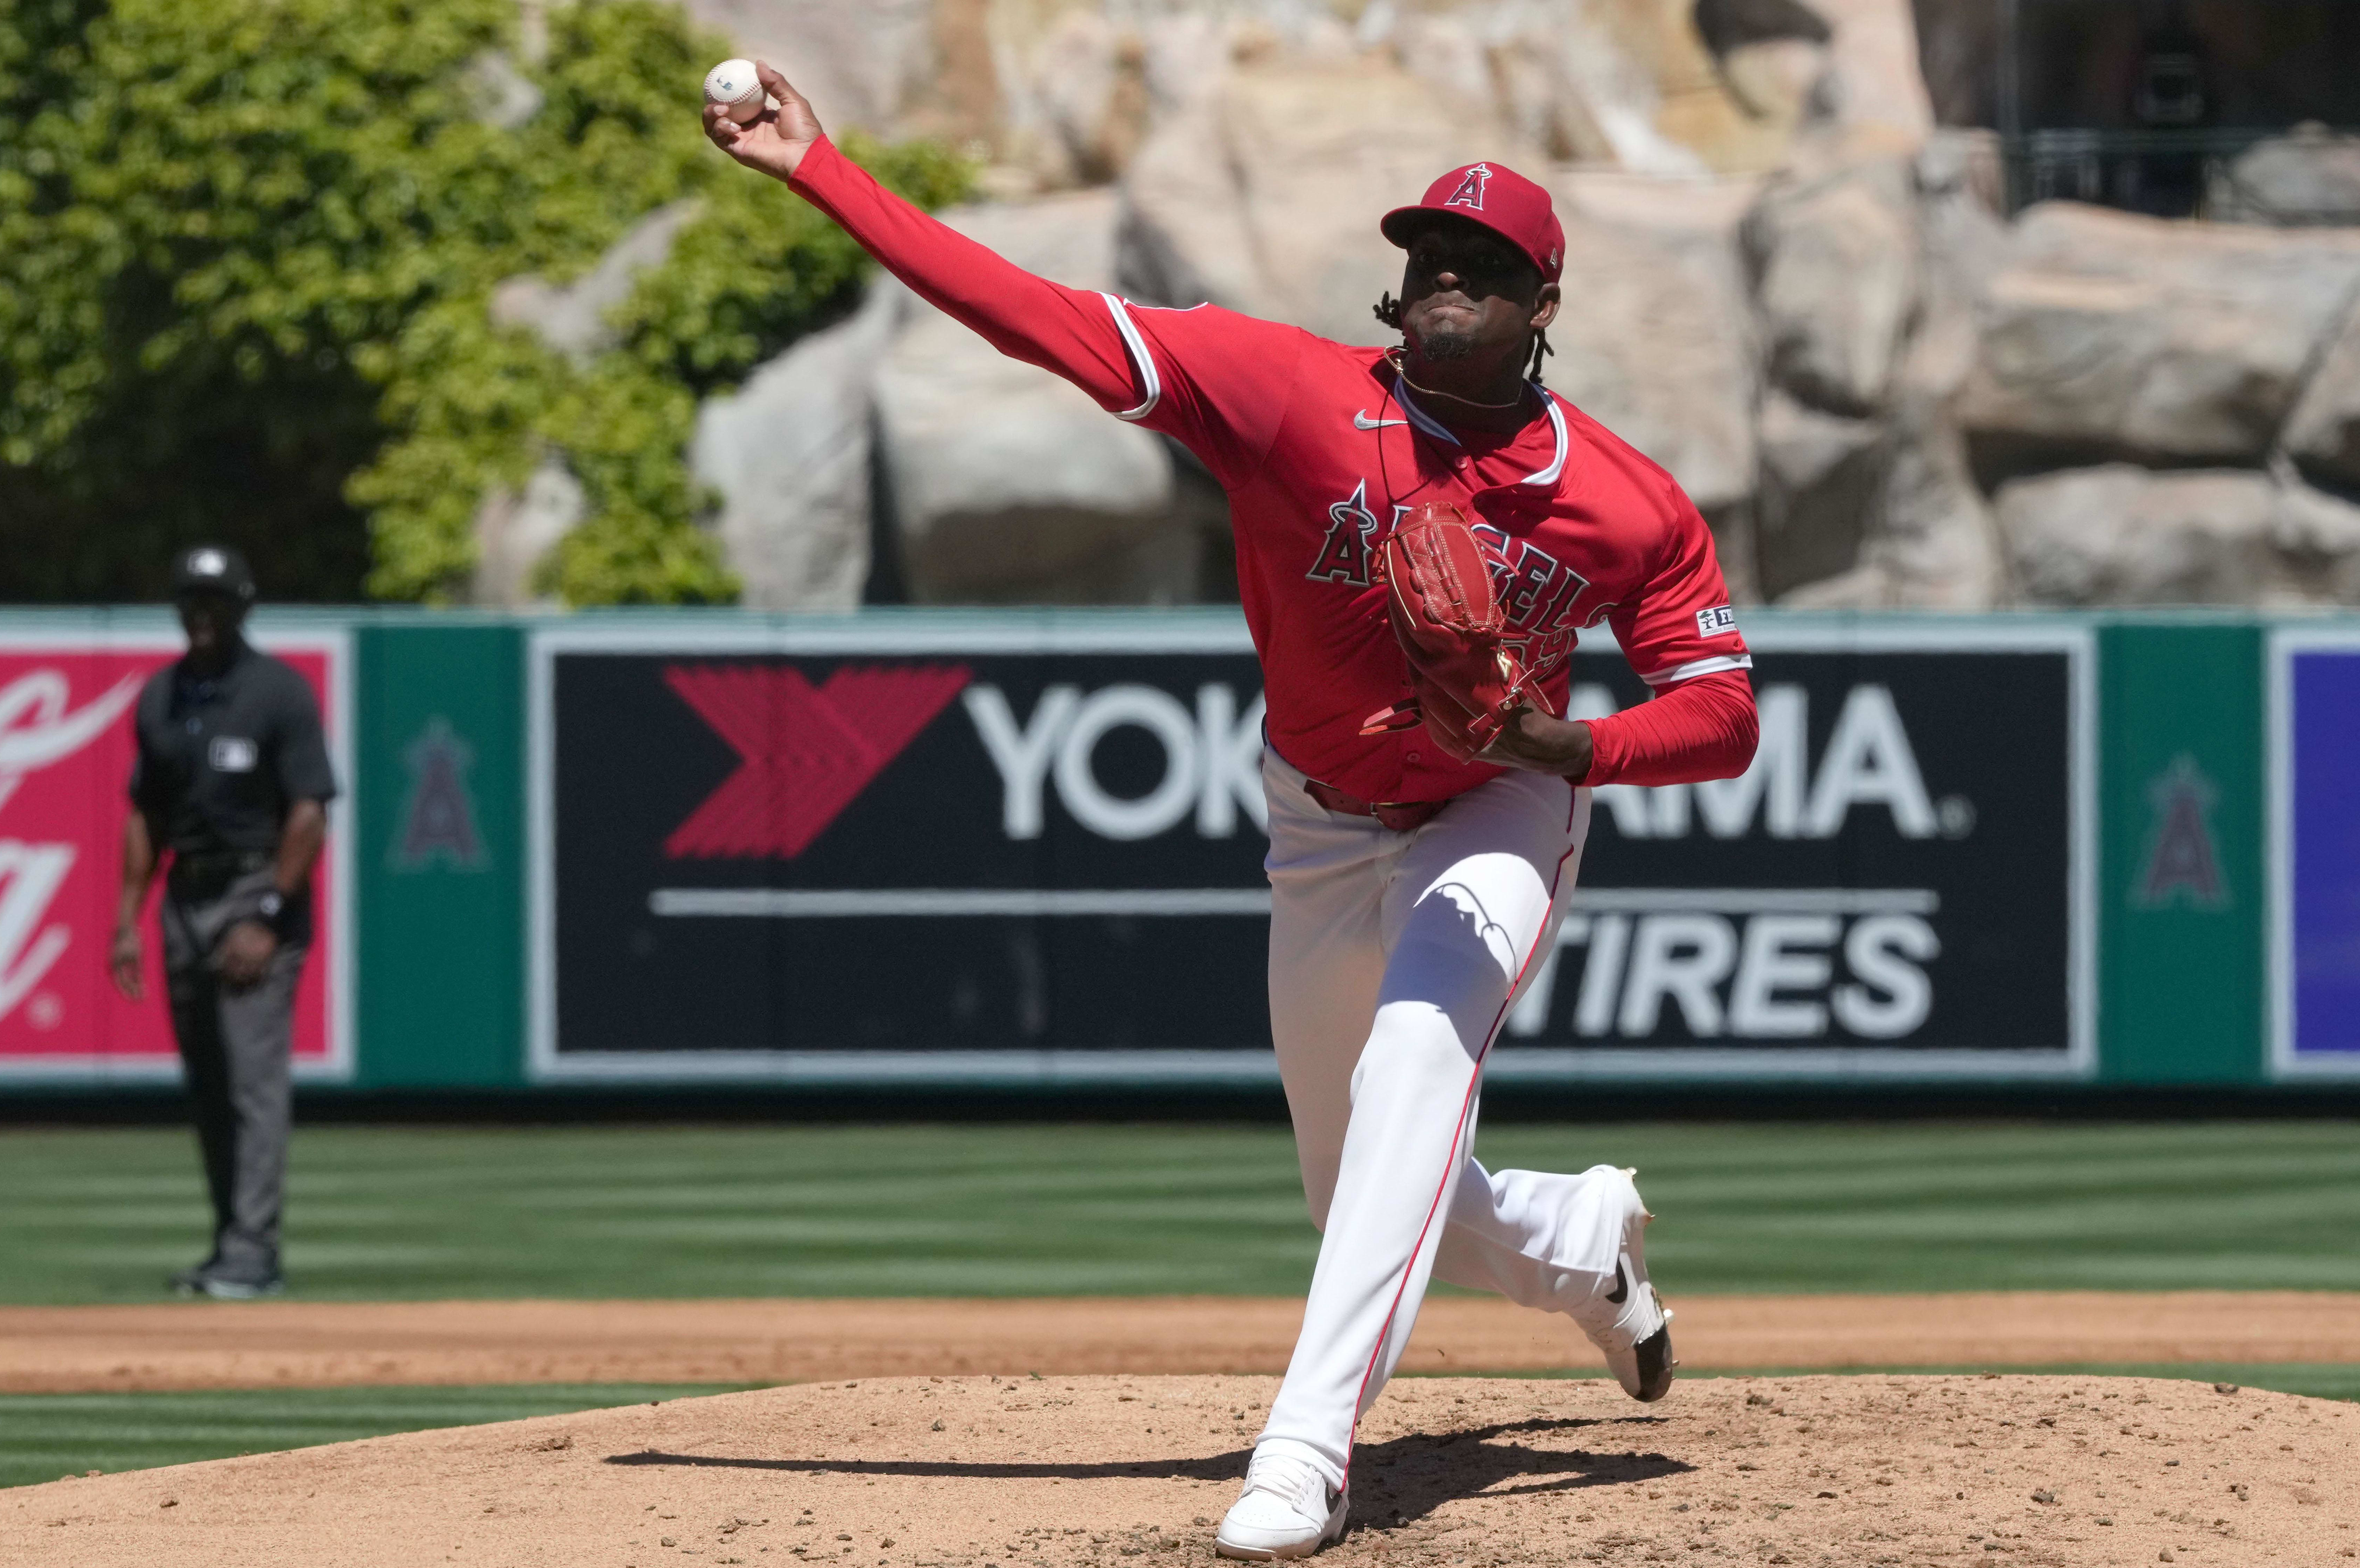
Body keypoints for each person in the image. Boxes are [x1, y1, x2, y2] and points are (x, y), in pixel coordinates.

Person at [707, 65, 1760, 1560]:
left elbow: (1721, 715)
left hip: (1495, 808)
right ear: (1395, 296)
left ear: (1545, 305)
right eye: (1429, 260)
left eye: (1489, 267)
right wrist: (824, 169)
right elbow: (1036, 313)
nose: (1450, 278)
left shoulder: (1624, 503)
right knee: (1364, 1188)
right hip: (1319, 818)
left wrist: (1568, 745)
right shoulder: (1287, 394)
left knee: (1416, 1067)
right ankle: (1574, 1243)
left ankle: (1304, 1453)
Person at [109, 547, 336, 1301]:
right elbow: (147, 813)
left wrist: (270, 914)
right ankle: (226, 1246)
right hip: (184, 896)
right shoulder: (163, 696)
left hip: (252, 889)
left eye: (214, 601)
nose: (200, 614)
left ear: (242, 607)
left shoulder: (277, 692)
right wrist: (125, 921)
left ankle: (254, 1253)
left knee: (252, 1082)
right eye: (188, 600)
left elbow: (309, 811)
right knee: (208, 1083)